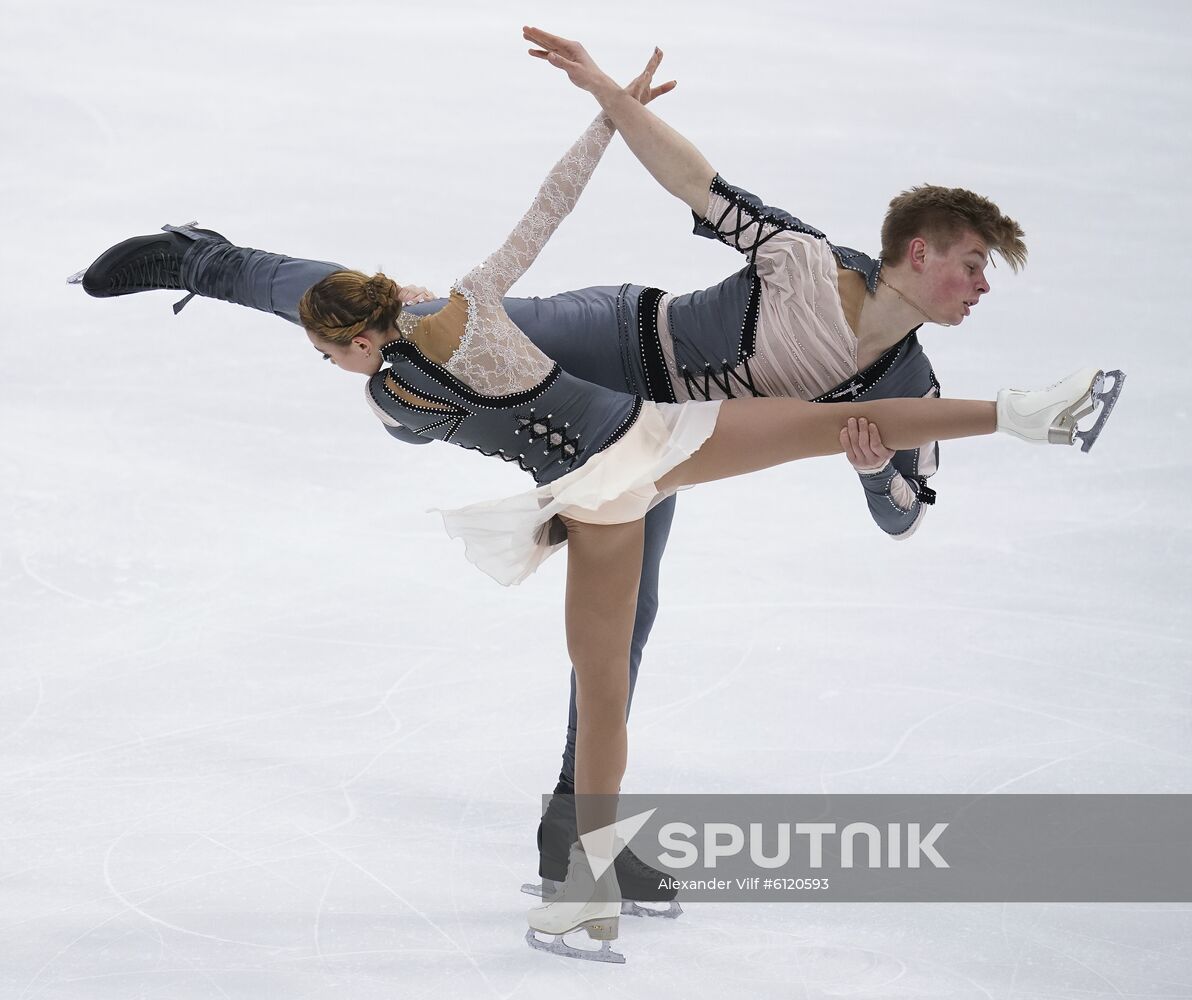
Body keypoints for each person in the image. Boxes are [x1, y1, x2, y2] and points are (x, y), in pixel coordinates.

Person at [72, 47, 1122, 963]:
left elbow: (904, 514)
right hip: (607, 343)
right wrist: (606, 99)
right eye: (974, 266)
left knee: (625, 636)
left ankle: (574, 845)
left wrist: (869, 472)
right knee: (410, 314)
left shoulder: (908, 390)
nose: (980, 287)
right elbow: (692, 179)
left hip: (645, 446)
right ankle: (208, 259)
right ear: (920, 252)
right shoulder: (803, 257)